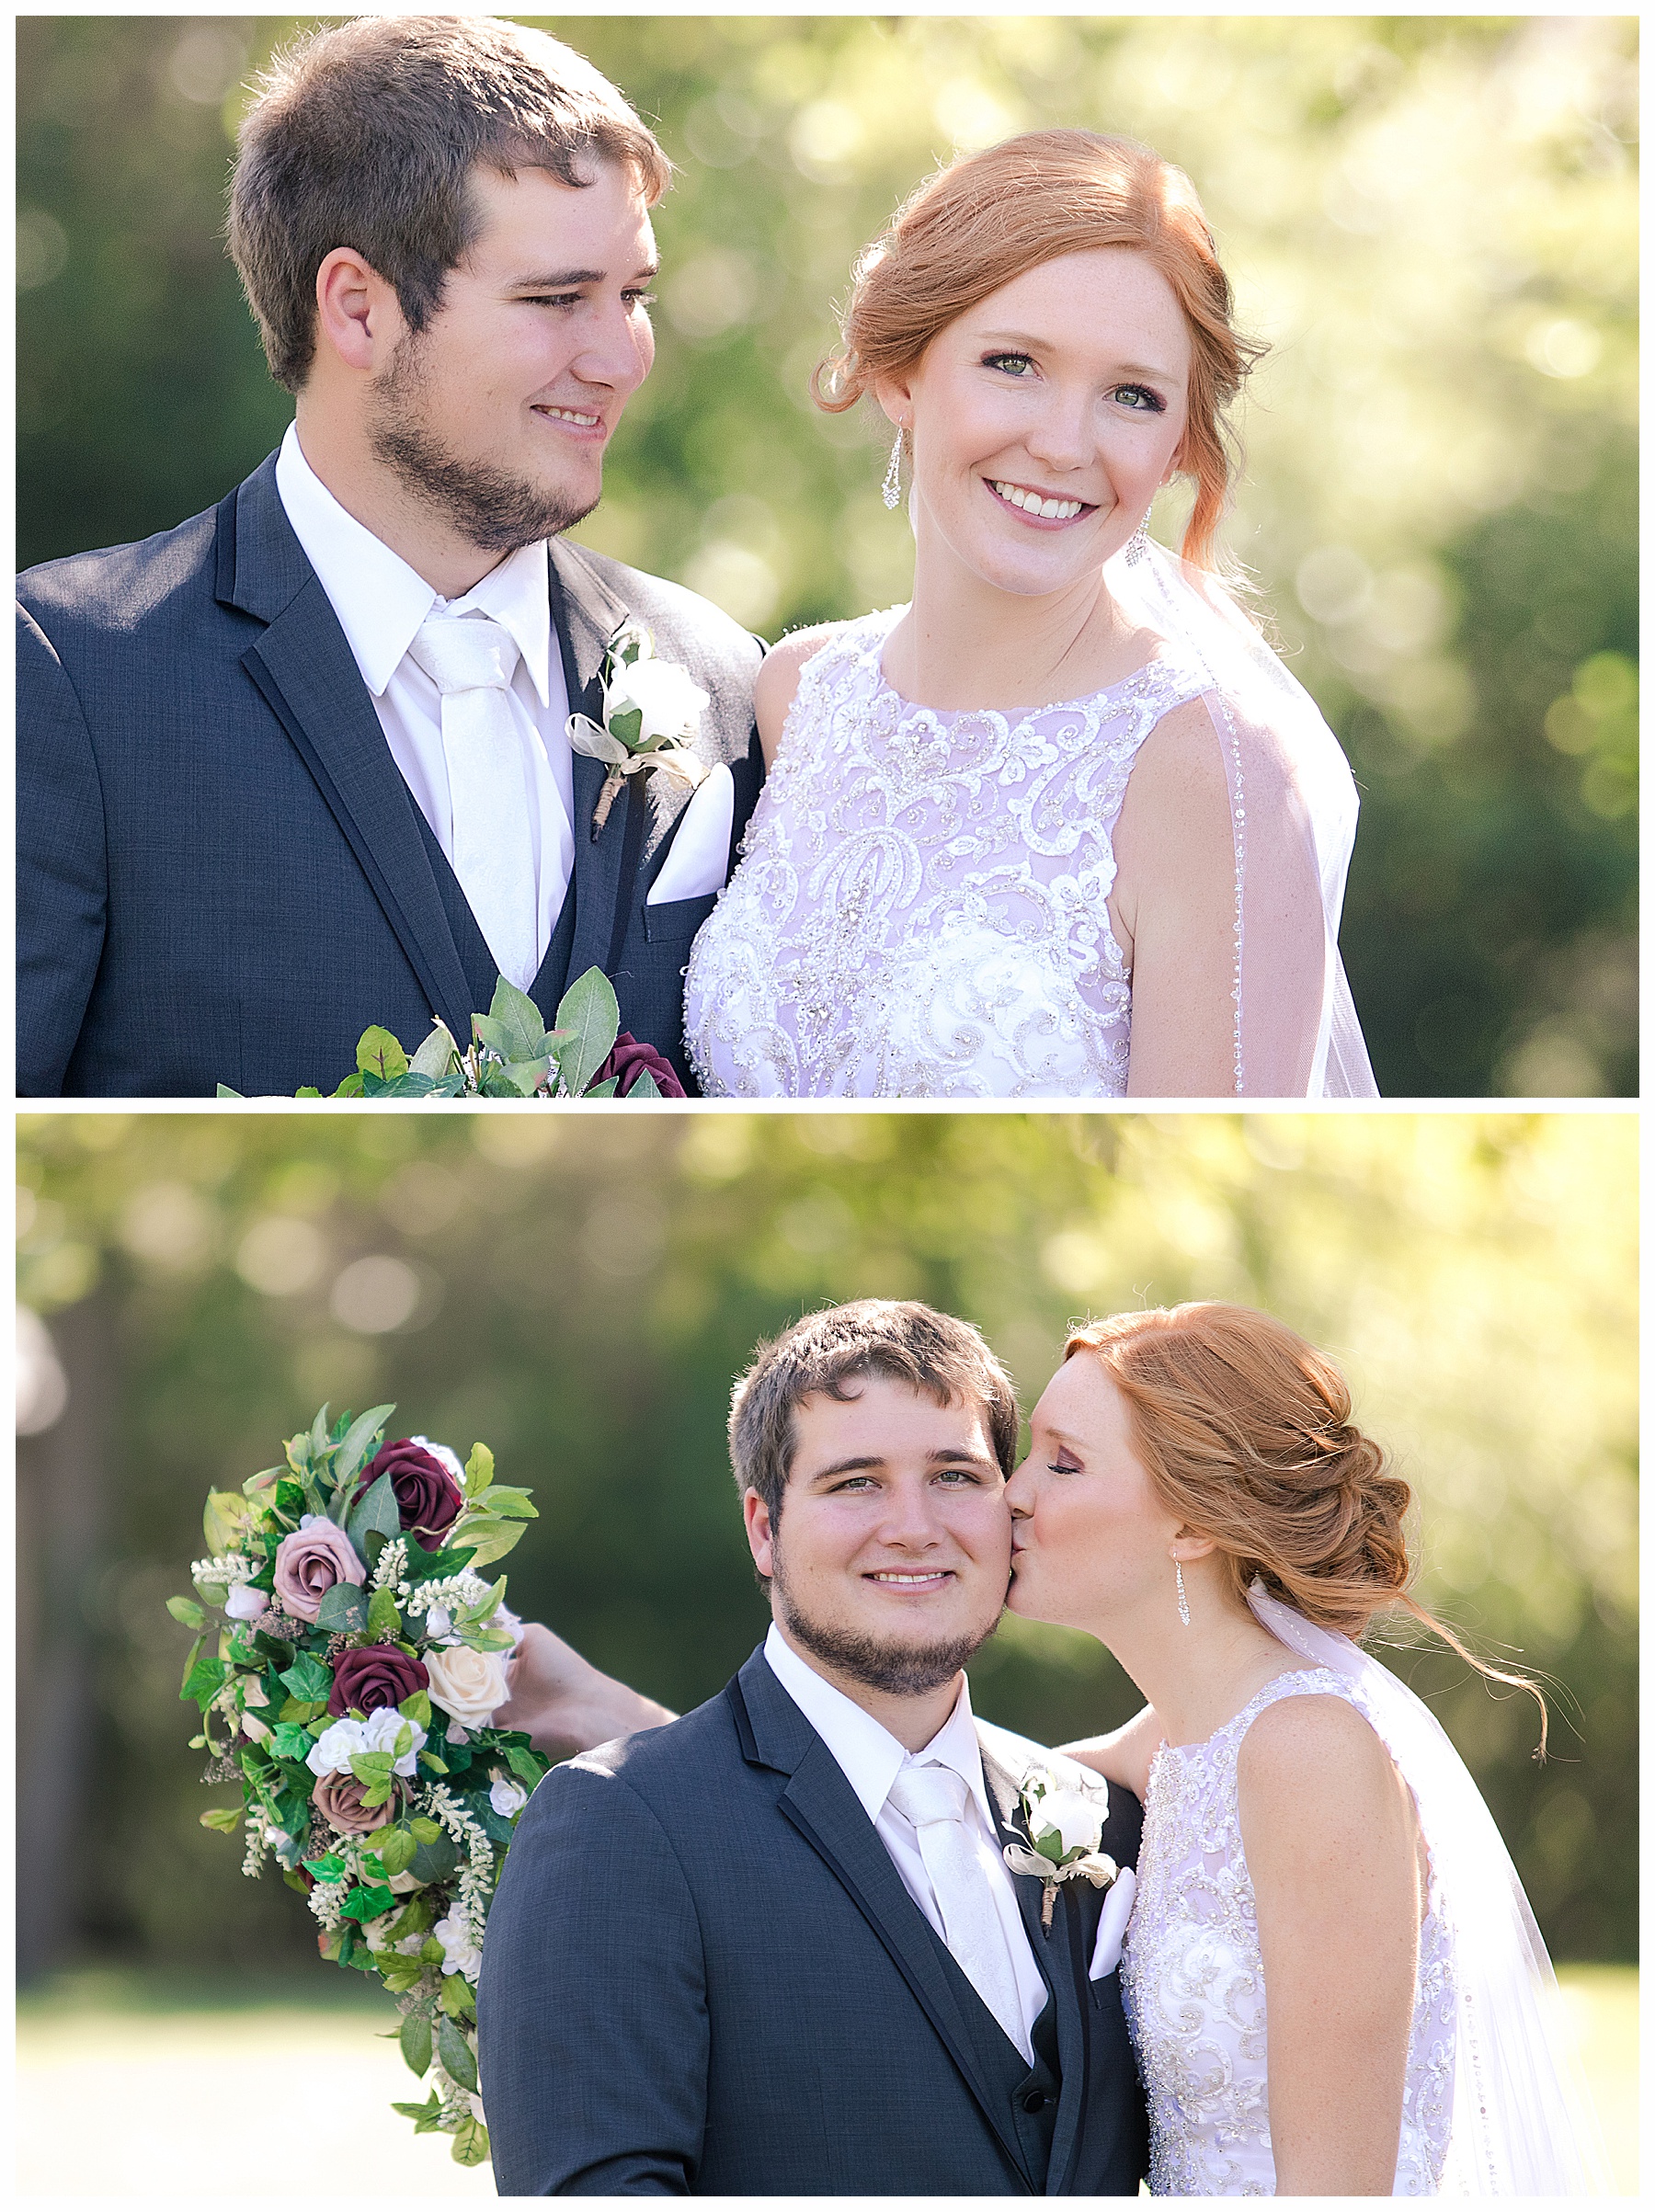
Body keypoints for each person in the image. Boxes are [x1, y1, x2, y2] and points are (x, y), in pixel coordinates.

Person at [509, 1299, 1607, 2195]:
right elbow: (850, 1817)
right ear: (764, 1525)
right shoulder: (1170, 1752)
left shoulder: (1295, 1755)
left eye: (1042, 1466)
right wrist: (617, 1729)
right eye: (856, 1484)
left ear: (1191, 1521)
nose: (1001, 1502)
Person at [17, 15, 762, 1098]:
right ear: (359, 310)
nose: (619, 359)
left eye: (633, 296)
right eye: (557, 299)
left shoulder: (723, 678)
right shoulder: (62, 681)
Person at [683, 131, 1377, 1098]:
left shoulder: (1219, 774)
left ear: (1179, 443)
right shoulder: (797, 692)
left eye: (1133, 396)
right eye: (1014, 364)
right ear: (899, 373)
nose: (1062, 443)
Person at [477, 1301, 1149, 2195]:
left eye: (954, 1475)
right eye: (856, 1483)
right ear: (764, 1528)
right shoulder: (616, 1829)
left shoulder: (1104, 1815)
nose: (914, 1526)